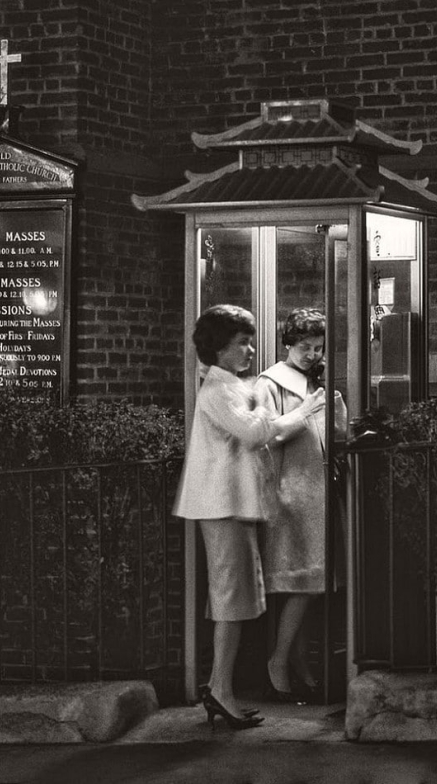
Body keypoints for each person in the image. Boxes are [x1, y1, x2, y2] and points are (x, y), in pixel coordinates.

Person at [173, 304, 325, 730]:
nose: (250, 350)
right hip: (222, 506)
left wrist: (291, 412)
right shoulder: (219, 390)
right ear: (220, 348)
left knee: (235, 602)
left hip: (233, 507)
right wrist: (276, 406)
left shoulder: (229, 386)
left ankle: (220, 687)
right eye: (242, 343)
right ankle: (219, 689)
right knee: (230, 603)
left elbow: (267, 429)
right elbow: (258, 431)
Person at [255, 308, 347, 703]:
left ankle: (299, 667)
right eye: (305, 347)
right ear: (288, 345)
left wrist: (335, 409)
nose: (311, 354)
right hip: (290, 492)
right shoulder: (270, 383)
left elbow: (337, 434)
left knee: (314, 583)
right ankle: (278, 662)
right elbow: (263, 436)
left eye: (318, 348)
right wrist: (304, 411)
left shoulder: (317, 383)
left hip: (318, 490)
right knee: (304, 583)